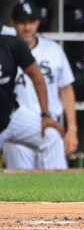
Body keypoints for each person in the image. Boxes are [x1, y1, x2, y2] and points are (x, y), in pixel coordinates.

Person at [2, 2, 78, 169]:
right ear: (12, 23)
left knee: (56, 175)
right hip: (16, 119)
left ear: (38, 22)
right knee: (21, 185)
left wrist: (72, 128)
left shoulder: (53, 49)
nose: (27, 27)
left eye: (32, 21)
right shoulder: (8, 48)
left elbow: (66, 88)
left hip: (46, 120)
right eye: (22, 22)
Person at [0, 33, 65, 168]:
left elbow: (37, 76)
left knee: (51, 136)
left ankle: (58, 188)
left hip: (12, 116)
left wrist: (45, 114)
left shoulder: (11, 43)